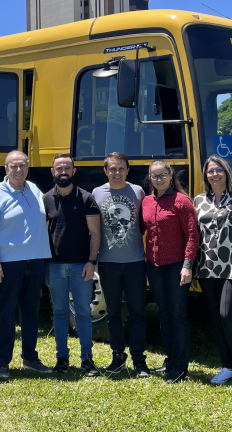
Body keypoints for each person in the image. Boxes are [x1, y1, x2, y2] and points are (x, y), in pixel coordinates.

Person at [0, 150, 52, 378]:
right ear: (6, 169)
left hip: (36, 260)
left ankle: (30, 358)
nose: (18, 170)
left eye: (22, 165)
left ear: (27, 167)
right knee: (5, 312)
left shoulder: (34, 189)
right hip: (9, 262)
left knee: (31, 312)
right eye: (14, 166)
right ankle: (3, 362)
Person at [193, 155, 232, 387]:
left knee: (227, 315)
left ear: (226, 173)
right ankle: (227, 367)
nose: (215, 174)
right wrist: (190, 268)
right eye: (210, 171)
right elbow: (194, 237)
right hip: (207, 268)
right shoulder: (198, 201)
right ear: (206, 175)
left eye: (219, 170)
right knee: (215, 319)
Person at [91, 152, 149, 377]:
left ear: (128, 170)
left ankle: (139, 360)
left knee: (137, 313)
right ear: (105, 171)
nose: (117, 173)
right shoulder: (97, 193)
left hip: (135, 262)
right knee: (113, 313)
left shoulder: (137, 191)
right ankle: (117, 357)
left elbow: (143, 223)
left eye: (121, 168)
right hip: (108, 264)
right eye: (112, 169)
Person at [43, 153, 101, 376]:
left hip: (81, 266)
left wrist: (91, 261)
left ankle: (87, 359)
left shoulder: (86, 198)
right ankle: (61, 359)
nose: (63, 171)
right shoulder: (46, 199)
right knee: (59, 313)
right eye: (59, 168)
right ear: (53, 171)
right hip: (54, 266)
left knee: (83, 313)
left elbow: (95, 232)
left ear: (74, 171)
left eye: (67, 167)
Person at [141, 160, 199, 384]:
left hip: (177, 266)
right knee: (164, 314)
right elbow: (140, 228)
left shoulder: (182, 202)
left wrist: (187, 265)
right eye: (154, 176)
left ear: (170, 174)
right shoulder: (146, 202)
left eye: (162, 174)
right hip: (153, 265)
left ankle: (180, 366)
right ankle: (171, 357)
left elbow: (193, 236)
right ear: (150, 178)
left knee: (178, 315)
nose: (159, 179)